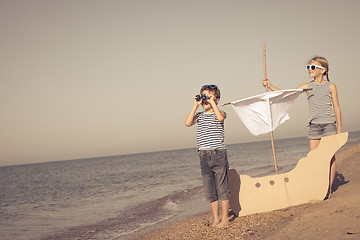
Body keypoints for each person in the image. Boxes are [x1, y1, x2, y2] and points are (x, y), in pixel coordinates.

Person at [262, 56, 342, 198]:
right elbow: (286, 94)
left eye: (313, 67)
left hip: (329, 124)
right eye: (308, 67)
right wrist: (270, 85)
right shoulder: (306, 86)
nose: (309, 70)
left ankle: (328, 189)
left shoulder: (331, 86)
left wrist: (340, 129)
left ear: (323, 70)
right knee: (313, 158)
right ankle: (319, 186)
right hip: (314, 126)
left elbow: (336, 107)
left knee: (330, 157)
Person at [185, 84, 230, 228]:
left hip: (218, 153)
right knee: (210, 189)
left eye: (208, 97)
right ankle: (216, 218)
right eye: (203, 96)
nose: (205, 100)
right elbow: (187, 123)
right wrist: (195, 105)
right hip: (203, 155)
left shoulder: (220, 112)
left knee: (222, 187)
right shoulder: (199, 116)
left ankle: (225, 218)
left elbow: (220, 118)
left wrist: (212, 102)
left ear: (216, 99)